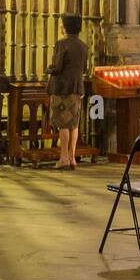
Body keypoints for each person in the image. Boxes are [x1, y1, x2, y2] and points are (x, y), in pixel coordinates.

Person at [46, 13, 88, 170]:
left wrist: (48, 68)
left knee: (63, 123)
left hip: (62, 88)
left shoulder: (62, 44)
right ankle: (72, 157)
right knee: (74, 124)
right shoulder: (83, 46)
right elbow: (84, 68)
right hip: (77, 88)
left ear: (65, 26)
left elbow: (57, 67)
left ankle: (63, 157)